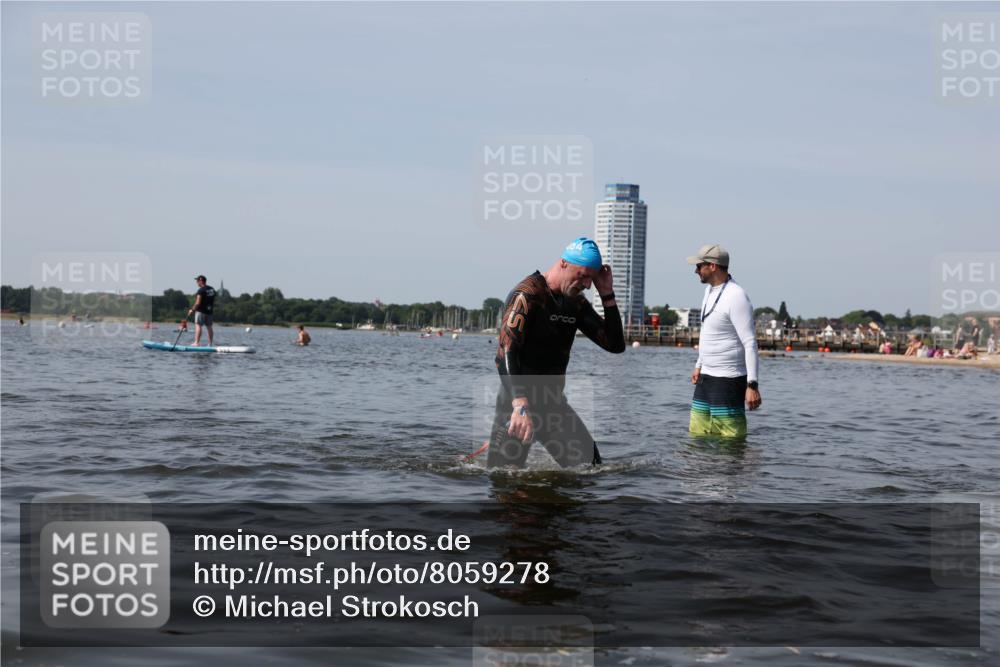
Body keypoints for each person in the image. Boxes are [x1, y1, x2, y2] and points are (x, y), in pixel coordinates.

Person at [486, 237, 625, 469]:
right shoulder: (527, 295)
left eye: (591, 278)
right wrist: (520, 405)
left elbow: (615, 345)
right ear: (563, 263)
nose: (588, 285)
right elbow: (505, 353)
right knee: (505, 483)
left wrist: (607, 295)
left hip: (554, 407)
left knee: (591, 471)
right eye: (582, 276)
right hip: (518, 407)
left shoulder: (575, 304)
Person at [686, 244, 761, 438]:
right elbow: (707, 332)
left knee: (730, 441)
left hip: (728, 379)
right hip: (706, 378)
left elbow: (750, 342)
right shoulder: (709, 291)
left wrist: (752, 385)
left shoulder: (736, 296)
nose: (695, 270)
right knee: (697, 435)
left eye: (699, 266)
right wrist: (698, 365)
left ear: (713, 266)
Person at [187, 275, 216, 346]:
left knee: (198, 325)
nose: (197, 283)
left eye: (197, 281)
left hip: (201, 311)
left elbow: (197, 303)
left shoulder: (201, 290)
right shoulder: (212, 289)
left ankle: (196, 343)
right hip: (209, 311)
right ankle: (210, 344)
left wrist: (192, 310)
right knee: (209, 326)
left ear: (201, 281)